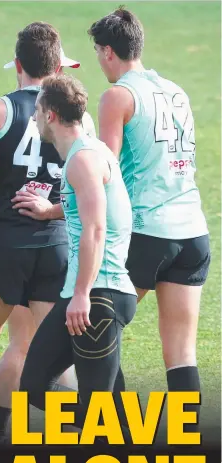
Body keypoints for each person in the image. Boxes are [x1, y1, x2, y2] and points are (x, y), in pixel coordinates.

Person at [0, 43, 91, 438]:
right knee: (57, 360)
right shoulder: (79, 117)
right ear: (59, 66)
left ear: (17, 64)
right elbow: (90, 193)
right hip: (55, 249)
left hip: (1, 251)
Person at [88, 7, 209, 431]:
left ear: (106, 51)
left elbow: (104, 167)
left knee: (99, 331)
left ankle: (116, 432)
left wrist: (58, 207)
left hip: (146, 232)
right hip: (193, 232)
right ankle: (187, 439)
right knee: (181, 350)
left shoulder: (118, 95)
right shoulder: (175, 90)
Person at [19, 73, 137, 438]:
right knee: (34, 385)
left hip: (99, 293)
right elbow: (90, 208)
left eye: (37, 110)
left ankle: (109, 424)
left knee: (96, 412)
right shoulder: (87, 152)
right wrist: (50, 210)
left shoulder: (83, 159)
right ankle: (116, 422)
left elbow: (96, 227)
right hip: (88, 291)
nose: (34, 117)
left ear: (50, 114)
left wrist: (83, 293)